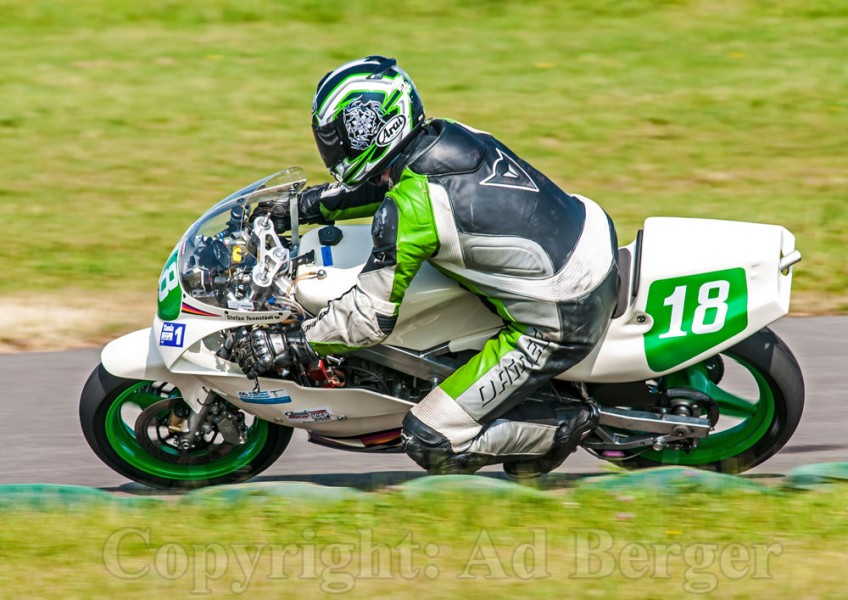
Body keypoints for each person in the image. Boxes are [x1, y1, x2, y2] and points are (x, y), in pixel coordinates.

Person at [234, 56, 619, 477]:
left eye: (339, 137)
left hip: (562, 316)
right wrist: (304, 206)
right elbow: (389, 183)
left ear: (372, 129)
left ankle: (570, 424)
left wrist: (293, 343)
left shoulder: (411, 209)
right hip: (586, 237)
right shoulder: (450, 135)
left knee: (430, 438)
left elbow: (366, 321)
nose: (333, 149)